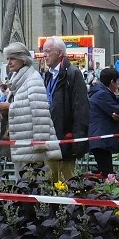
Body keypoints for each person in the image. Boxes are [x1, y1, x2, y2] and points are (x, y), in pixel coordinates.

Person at [0, 42, 61, 176]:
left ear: (22, 59)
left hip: (32, 148)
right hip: (22, 146)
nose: (9, 62)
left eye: (12, 58)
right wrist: (5, 111)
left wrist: (39, 144)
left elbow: (40, 114)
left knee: (33, 188)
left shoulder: (33, 80)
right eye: (8, 59)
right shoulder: (19, 79)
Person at [40, 37, 90, 182]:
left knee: (67, 183)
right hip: (50, 139)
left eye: (48, 51)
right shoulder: (48, 75)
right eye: (43, 51)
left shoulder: (72, 74)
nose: (45, 55)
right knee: (49, 183)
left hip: (65, 138)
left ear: (60, 53)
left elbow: (80, 108)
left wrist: (77, 139)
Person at [87, 67, 119, 177]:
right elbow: (118, 110)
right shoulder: (102, 94)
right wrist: (118, 96)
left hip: (100, 137)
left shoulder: (98, 91)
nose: (118, 84)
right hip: (101, 137)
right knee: (107, 172)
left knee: (105, 170)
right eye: (117, 81)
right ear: (112, 81)